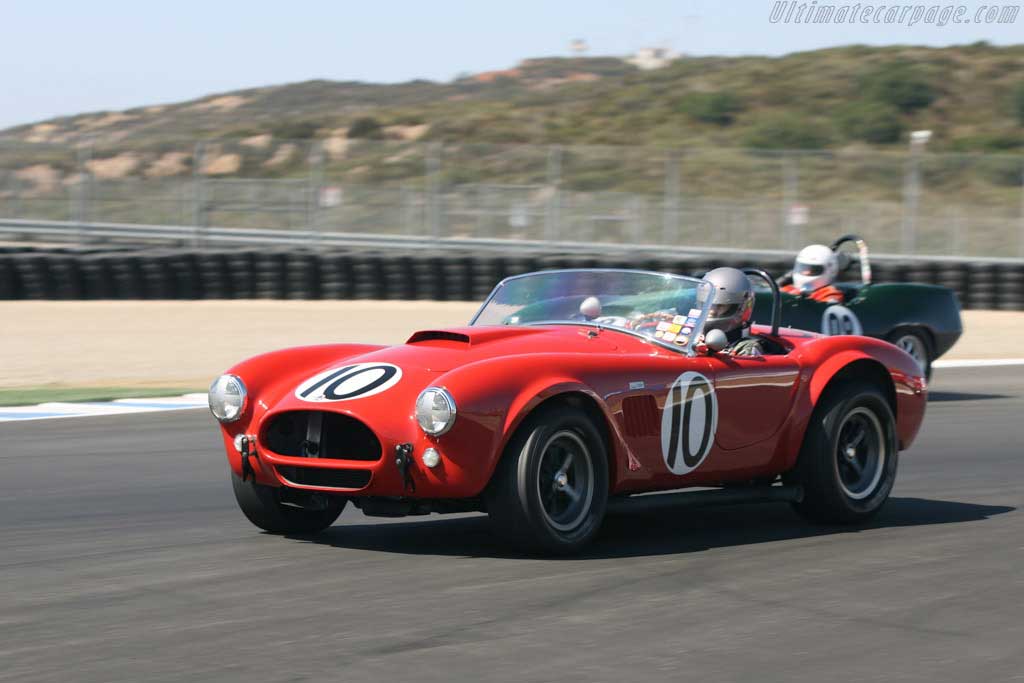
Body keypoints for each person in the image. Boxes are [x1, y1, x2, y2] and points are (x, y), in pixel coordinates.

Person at [698, 267, 763, 357]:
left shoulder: (746, 348)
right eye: (707, 304)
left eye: (720, 305)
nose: (712, 311)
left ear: (741, 309)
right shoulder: (691, 335)